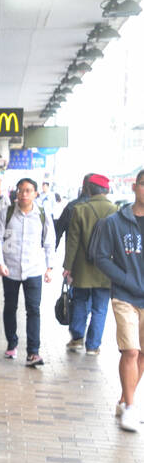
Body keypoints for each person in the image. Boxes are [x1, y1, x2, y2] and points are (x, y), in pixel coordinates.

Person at [91, 169, 144, 433]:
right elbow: (100, 257)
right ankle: (132, 409)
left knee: (143, 353)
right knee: (131, 350)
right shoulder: (115, 222)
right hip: (125, 296)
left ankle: (125, 399)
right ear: (135, 187)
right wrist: (124, 279)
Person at [0, 176, 55, 366]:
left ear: (35, 193)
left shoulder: (43, 215)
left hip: (34, 269)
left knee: (33, 309)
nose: (24, 194)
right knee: (10, 307)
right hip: (10, 269)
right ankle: (12, 343)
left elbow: (50, 242)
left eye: (28, 190)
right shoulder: (6, 212)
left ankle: (33, 352)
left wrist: (49, 267)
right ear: (16, 192)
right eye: (20, 190)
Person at [62, 173, 116, 354]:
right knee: (100, 307)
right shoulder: (116, 210)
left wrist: (67, 266)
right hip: (106, 269)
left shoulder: (80, 209)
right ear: (106, 190)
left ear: (88, 189)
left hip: (82, 268)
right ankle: (93, 346)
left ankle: (77, 338)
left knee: (79, 301)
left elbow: (73, 242)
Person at [53, 175, 91, 248]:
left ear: (83, 187)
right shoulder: (102, 209)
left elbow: (58, 231)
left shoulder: (71, 206)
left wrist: (52, 251)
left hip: (72, 254)